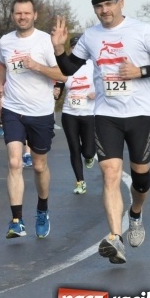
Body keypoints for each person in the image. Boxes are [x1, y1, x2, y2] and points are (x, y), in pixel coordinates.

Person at [52, 0, 150, 264]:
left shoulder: (141, 30)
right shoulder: (90, 36)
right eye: (98, 6)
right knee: (110, 173)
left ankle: (135, 213)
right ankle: (115, 238)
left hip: (139, 115)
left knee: (141, 182)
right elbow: (69, 69)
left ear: (121, 3)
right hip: (106, 115)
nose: (104, 10)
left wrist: (139, 71)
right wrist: (59, 49)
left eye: (109, 4)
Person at [0, 0, 65, 240]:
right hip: (13, 110)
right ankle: (16, 220)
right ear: (12, 15)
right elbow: (3, 65)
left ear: (35, 15)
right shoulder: (5, 41)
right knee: (14, 162)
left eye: (26, 13)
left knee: (39, 165)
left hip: (41, 112)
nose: (22, 17)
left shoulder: (46, 41)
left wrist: (37, 66)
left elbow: (64, 74)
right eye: (17, 13)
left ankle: (43, 209)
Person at [60, 35, 96, 195]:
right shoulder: (65, 65)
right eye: (74, 47)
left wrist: (96, 93)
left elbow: (104, 82)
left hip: (89, 113)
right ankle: (80, 182)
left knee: (88, 151)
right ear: (70, 49)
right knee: (74, 149)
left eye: (79, 46)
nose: (77, 50)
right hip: (69, 113)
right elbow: (59, 83)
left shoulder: (93, 65)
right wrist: (56, 92)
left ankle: (89, 156)